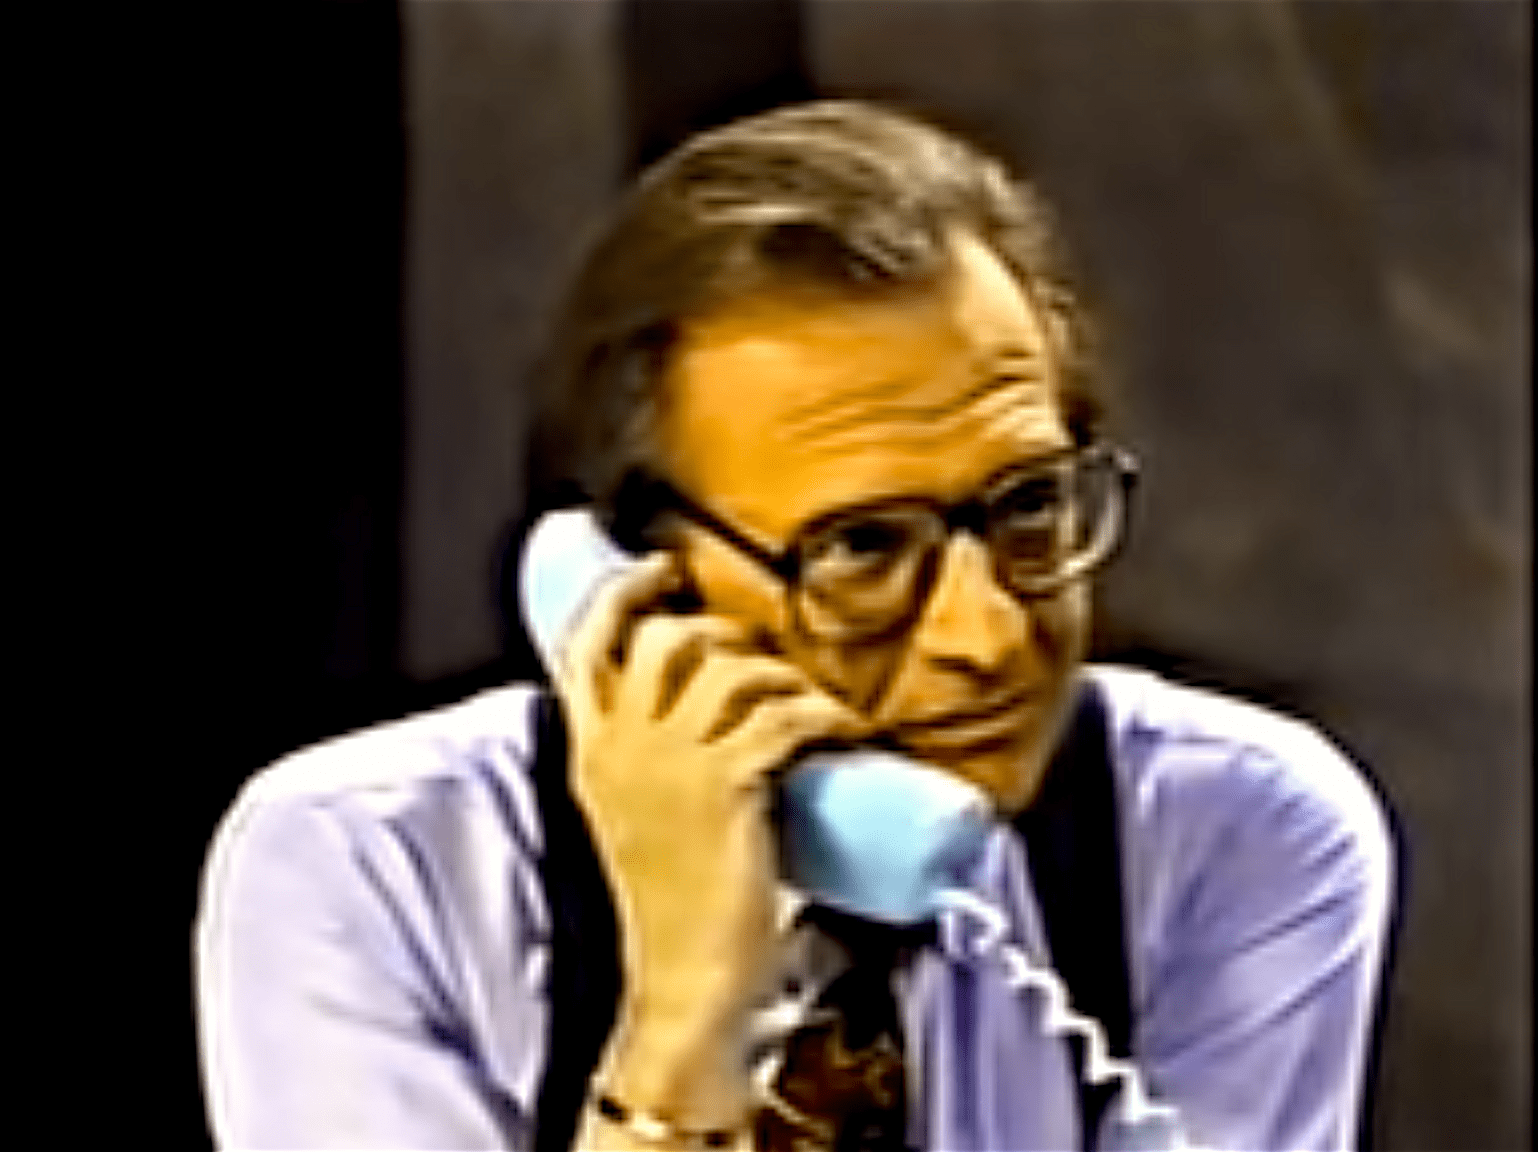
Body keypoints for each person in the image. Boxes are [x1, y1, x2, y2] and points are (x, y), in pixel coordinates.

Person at [195, 101, 1394, 1151]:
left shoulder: (1229, 836)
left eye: (1028, 506)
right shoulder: (369, 868)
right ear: (646, 583)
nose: (985, 636)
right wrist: (682, 1021)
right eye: (861, 548)